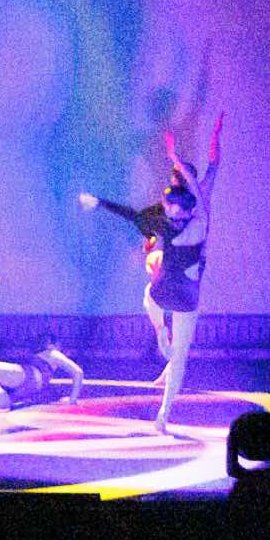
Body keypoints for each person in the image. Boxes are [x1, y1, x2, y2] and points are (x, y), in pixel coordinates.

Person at [81, 112, 223, 432]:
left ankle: (162, 338)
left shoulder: (187, 211)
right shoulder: (191, 217)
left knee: (153, 292)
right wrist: (183, 155)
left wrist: (178, 156)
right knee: (177, 347)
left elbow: (205, 176)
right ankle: (163, 411)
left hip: (173, 282)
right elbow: (141, 216)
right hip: (183, 284)